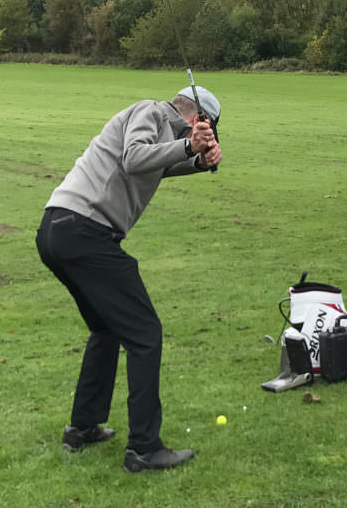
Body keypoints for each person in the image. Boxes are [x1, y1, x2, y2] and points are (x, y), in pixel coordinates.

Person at [35, 85, 222, 472]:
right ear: (196, 119)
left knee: (105, 328)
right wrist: (191, 147)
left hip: (60, 230)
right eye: (208, 130)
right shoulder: (151, 112)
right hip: (85, 232)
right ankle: (144, 448)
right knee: (145, 333)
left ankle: (82, 427)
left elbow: (159, 163)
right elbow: (136, 158)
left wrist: (199, 163)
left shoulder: (162, 129)